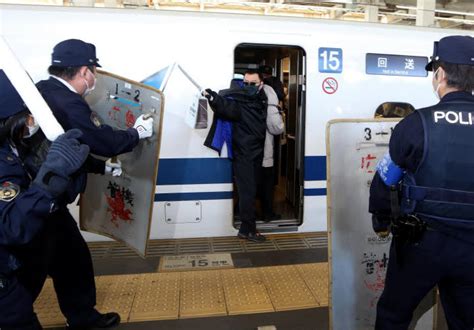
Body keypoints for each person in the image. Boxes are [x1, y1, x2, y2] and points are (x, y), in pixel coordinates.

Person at [32, 39, 154, 328]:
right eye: (93, 73)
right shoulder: (68, 101)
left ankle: (83, 318)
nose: (94, 80)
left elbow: (64, 147)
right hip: (41, 202)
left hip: (45, 197)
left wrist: (100, 167)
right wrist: (136, 134)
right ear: (85, 71)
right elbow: (100, 139)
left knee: (70, 260)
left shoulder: (43, 90)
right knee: (30, 274)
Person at [369, 35, 474, 329]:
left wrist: (381, 220)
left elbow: (385, 180)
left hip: (420, 243)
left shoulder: (416, 123)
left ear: (440, 74)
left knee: (394, 314)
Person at [0, 70, 90, 329]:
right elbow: (13, 226)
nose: (35, 120)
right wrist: (49, 181)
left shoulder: (13, 144)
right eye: (30, 113)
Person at [203, 70, 267, 242]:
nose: (247, 87)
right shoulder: (239, 101)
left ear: (261, 84)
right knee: (247, 192)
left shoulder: (261, 99)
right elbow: (225, 105)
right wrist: (212, 98)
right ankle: (249, 230)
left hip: (256, 154)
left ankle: (246, 229)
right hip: (243, 155)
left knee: (251, 191)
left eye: (252, 84)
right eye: (245, 83)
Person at [260, 84, 284, 221]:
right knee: (267, 185)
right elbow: (277, 127)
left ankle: (240, 211)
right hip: (264, 152)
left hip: (246, 152)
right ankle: (267, 214)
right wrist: (278, 112)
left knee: (249, 184)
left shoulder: (243, 92)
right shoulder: (268, 91)